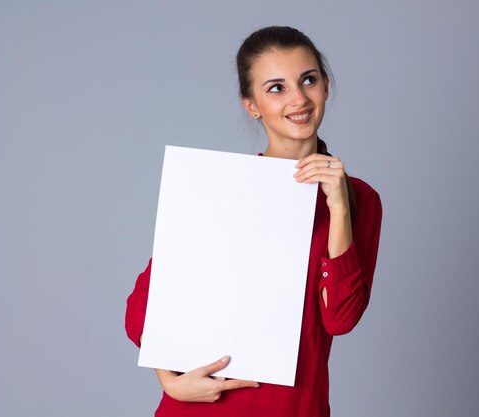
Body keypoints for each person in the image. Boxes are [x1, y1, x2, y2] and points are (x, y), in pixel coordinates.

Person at [125, 25, 382, 417]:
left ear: (325, 86)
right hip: (202, 408)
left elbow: (340, 319)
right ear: (252, 104)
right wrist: (169, 380)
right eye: (276, 87)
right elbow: (143, 306)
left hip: (293, 407)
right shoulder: (220, 187)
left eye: (308, 80)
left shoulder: (360, 199)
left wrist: (339, 209)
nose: (298, 99)